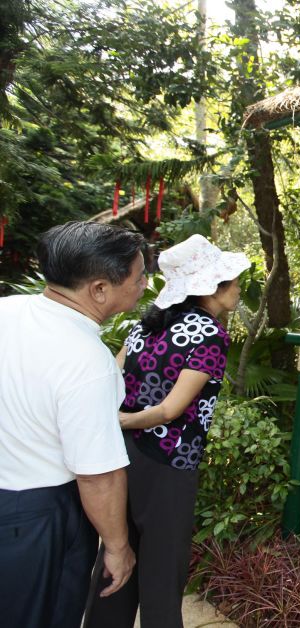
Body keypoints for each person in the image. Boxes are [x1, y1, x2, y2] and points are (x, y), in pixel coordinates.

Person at [85, 234, 249, 628]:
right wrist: (122, 419)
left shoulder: (145, 326)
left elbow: (110, 379)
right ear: (212, 286)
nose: (239, 288)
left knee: (118, 553)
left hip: (123, 455)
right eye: (234, 280)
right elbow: (169, 411)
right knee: (163, 567)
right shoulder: (211, 334)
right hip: (169, 463)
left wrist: (114, 421)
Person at [0, 221, 145, 628]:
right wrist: (117, 547)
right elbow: (97, 476)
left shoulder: (7, 310)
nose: (144, 285)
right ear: (99, 289)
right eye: (138, 277)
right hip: (38, 513)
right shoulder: (88, 362)